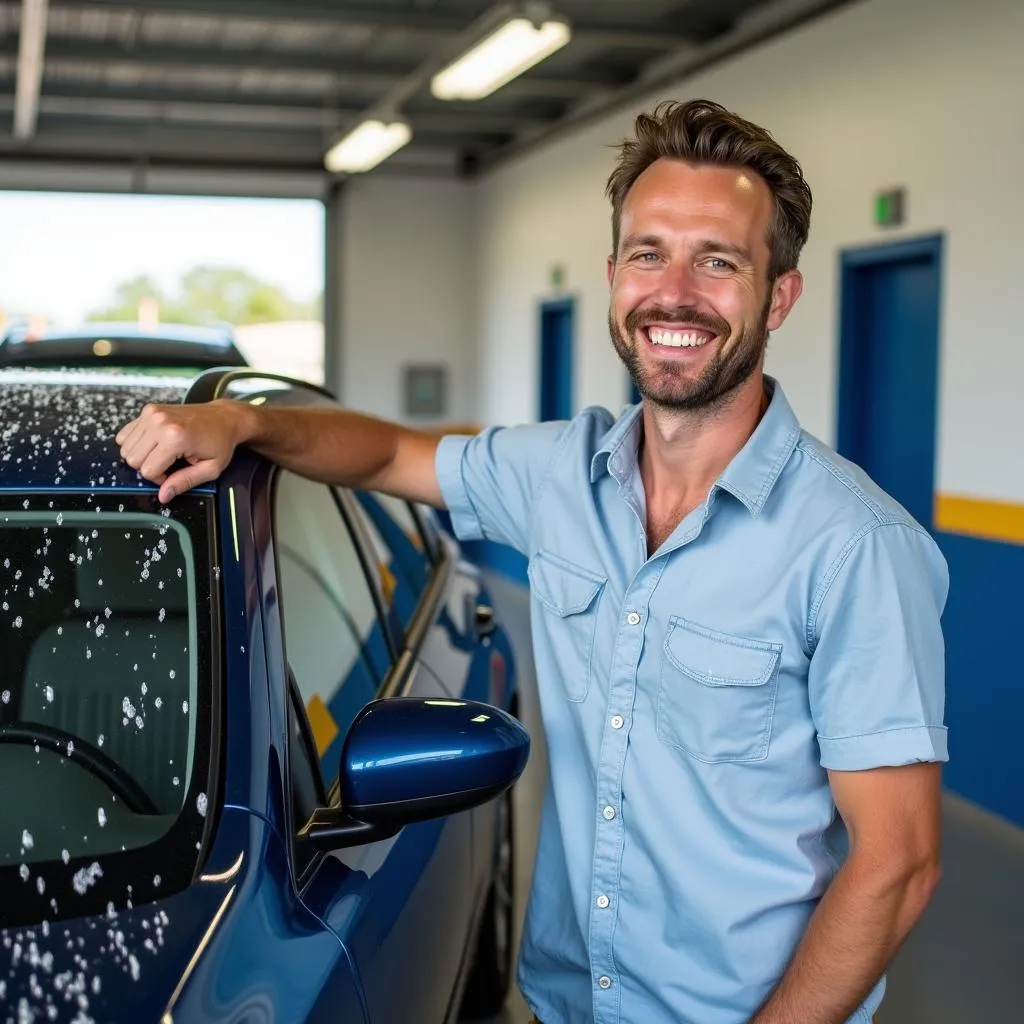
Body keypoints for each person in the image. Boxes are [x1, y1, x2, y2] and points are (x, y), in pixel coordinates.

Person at [116, 99, 948, 1024]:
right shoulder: (560, 474)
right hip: (566, 1004)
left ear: (778, 295)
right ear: (612, 276)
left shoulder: (856, 548)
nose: (674, 292)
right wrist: (248, 423)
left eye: (719, 260)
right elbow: (392, 455)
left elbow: (898, 862)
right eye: (649, 253)